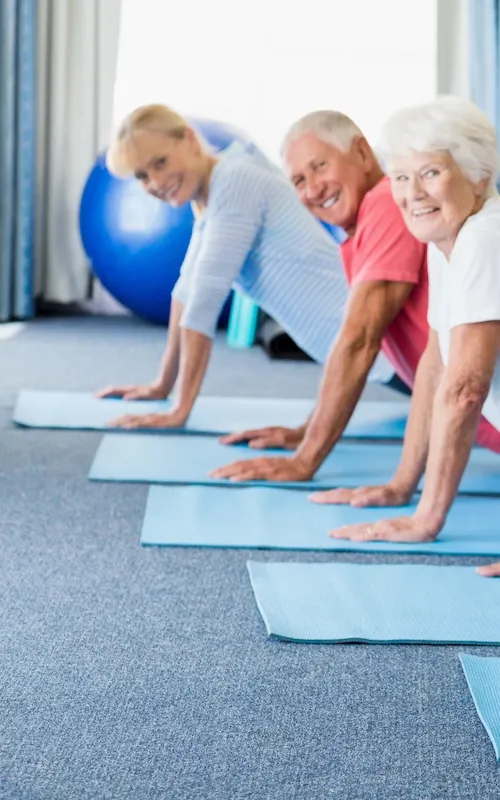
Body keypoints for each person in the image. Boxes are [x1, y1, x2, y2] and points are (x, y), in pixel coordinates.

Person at [97, 104, 393, 431]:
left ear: (190, 139)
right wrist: (162, 385)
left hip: (385, 347)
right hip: (365, 351)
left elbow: (205, 301)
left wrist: (179, 411)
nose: (155, 182)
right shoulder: (212, 190)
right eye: (142, 176)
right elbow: (186, 290)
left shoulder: (235, 180)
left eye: (160, 162)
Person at [317, 97, 500, 577]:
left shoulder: (484, 239)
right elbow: (435, 365)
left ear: (479, 176)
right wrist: (402, 485)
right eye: (400, 177)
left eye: (431, 173)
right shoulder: (447, 239)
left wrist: (426, 519)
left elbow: (465, 391)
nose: (412, 193)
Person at [213, 109, 431, 482]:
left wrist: (305, 460)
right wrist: (306, 430)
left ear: (362, 153)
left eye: (320, 166)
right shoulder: (360, 231)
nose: (313, 189)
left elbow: (358, 342)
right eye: (299, 180)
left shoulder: (386, 203)